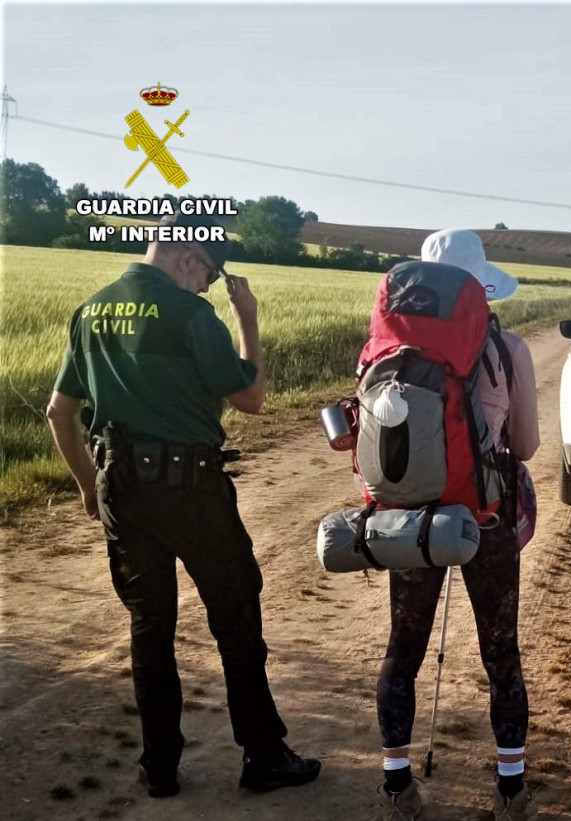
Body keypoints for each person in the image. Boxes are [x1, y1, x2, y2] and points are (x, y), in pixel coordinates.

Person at [45, 212, 321, 798]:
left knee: (151, 627)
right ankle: (264, 755)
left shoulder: (89, 310)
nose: (206, 287)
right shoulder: (193, 315)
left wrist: (89, 485)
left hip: (121, 484)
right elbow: (250, 398)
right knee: (236, 618)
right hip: (191, 489)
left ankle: (159, 766)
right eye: (208, 274)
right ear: (188, 257)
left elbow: (58, 413)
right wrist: (247, 319)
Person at [376, 229, 540, 821]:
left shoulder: (386, 348)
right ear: (483, 286)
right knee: (502, 655)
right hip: (485, 519)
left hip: (408, 520)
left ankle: (397, 786)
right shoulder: (509, 349)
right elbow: (525, 444)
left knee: (403, 650)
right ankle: (512, 789)